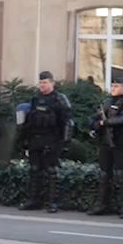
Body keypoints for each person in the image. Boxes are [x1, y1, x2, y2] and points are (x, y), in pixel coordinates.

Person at [88, 73, 123, 218]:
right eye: (112, 85)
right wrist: (96, 125)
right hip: (106, 143)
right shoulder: (105, 103)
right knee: (104, 175)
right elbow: (93, 119)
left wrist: (106, 122)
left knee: (121, 175)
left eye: (116, 86)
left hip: (120, 143)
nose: (113, 88)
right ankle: (101, 205)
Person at [18, 71, 72, 213]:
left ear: (52, 83)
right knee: (34, 171)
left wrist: (65, 142)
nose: (42, 85)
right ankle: (34, 200)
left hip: (52, 140)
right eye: (41, 82)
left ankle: (52, 202)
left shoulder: (59, 99)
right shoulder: (35, 99)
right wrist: (24, 140)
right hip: (35, 139)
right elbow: (28, 122)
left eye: (45, 82)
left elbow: (67, 122)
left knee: (51, 172)